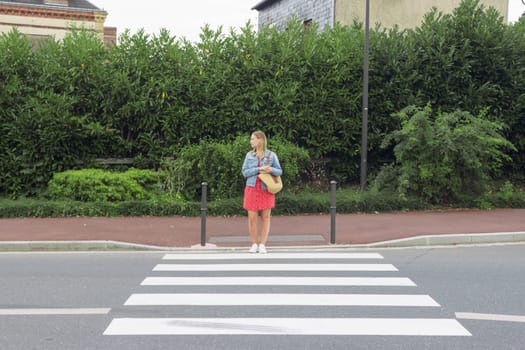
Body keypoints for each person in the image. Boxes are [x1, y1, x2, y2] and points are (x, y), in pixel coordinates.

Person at [241, 131, 283, 253]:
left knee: (266, 217)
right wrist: (258, 169)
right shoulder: (249, 155)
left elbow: (279, 171)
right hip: (252, 188)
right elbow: (245, 172)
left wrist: (271, 169)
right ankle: (254, 243)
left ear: (260, 140)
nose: (251, 141)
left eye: (253, 139)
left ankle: (263, 244)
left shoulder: (271, 155)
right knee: (252, 218)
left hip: (266, 189)